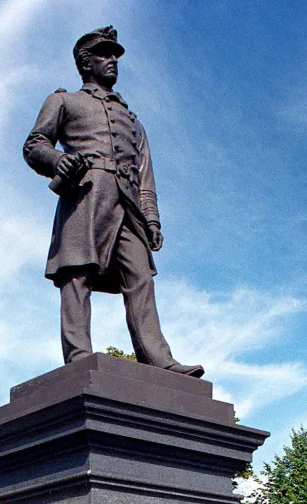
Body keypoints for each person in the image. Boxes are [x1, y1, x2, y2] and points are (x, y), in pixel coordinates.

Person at [23, 26, 204, 378]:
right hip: (85, 194)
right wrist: (59, 161)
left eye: (115, 56)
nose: (112, 61)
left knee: (140, 276)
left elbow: (145, 173)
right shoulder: (63, 101)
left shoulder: (132, 120)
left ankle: (157, 358)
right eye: (104, 55)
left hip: (127, 202)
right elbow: (34, 145)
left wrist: (151, 218)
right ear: (85, 62)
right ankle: (78, 355)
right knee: (77, 271)